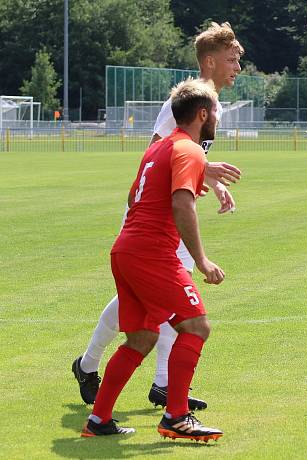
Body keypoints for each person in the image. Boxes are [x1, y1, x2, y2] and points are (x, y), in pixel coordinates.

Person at [71, 22, 244, 410]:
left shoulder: (210, 103)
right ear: (210, 61)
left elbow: (186, 158)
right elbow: (156, 152)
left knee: (153, 301)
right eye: (232, 60)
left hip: (169, 215)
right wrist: (207, 170)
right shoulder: (185, 102)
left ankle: (142, 379)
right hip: (152, 216)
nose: (237, 67)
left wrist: (211, 179)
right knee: (168, 301)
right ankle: (99, 368)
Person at [81, 78, 224, 440]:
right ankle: (176, 416)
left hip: (125, 249)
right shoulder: (191, 151)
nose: (218, 121)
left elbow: (134, 199)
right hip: (152, 254)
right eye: (216, 114)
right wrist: (202, 260)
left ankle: (98, 421)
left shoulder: (158, 149)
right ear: (202, 114)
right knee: (196, 326)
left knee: (142, 337)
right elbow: (181, 204)